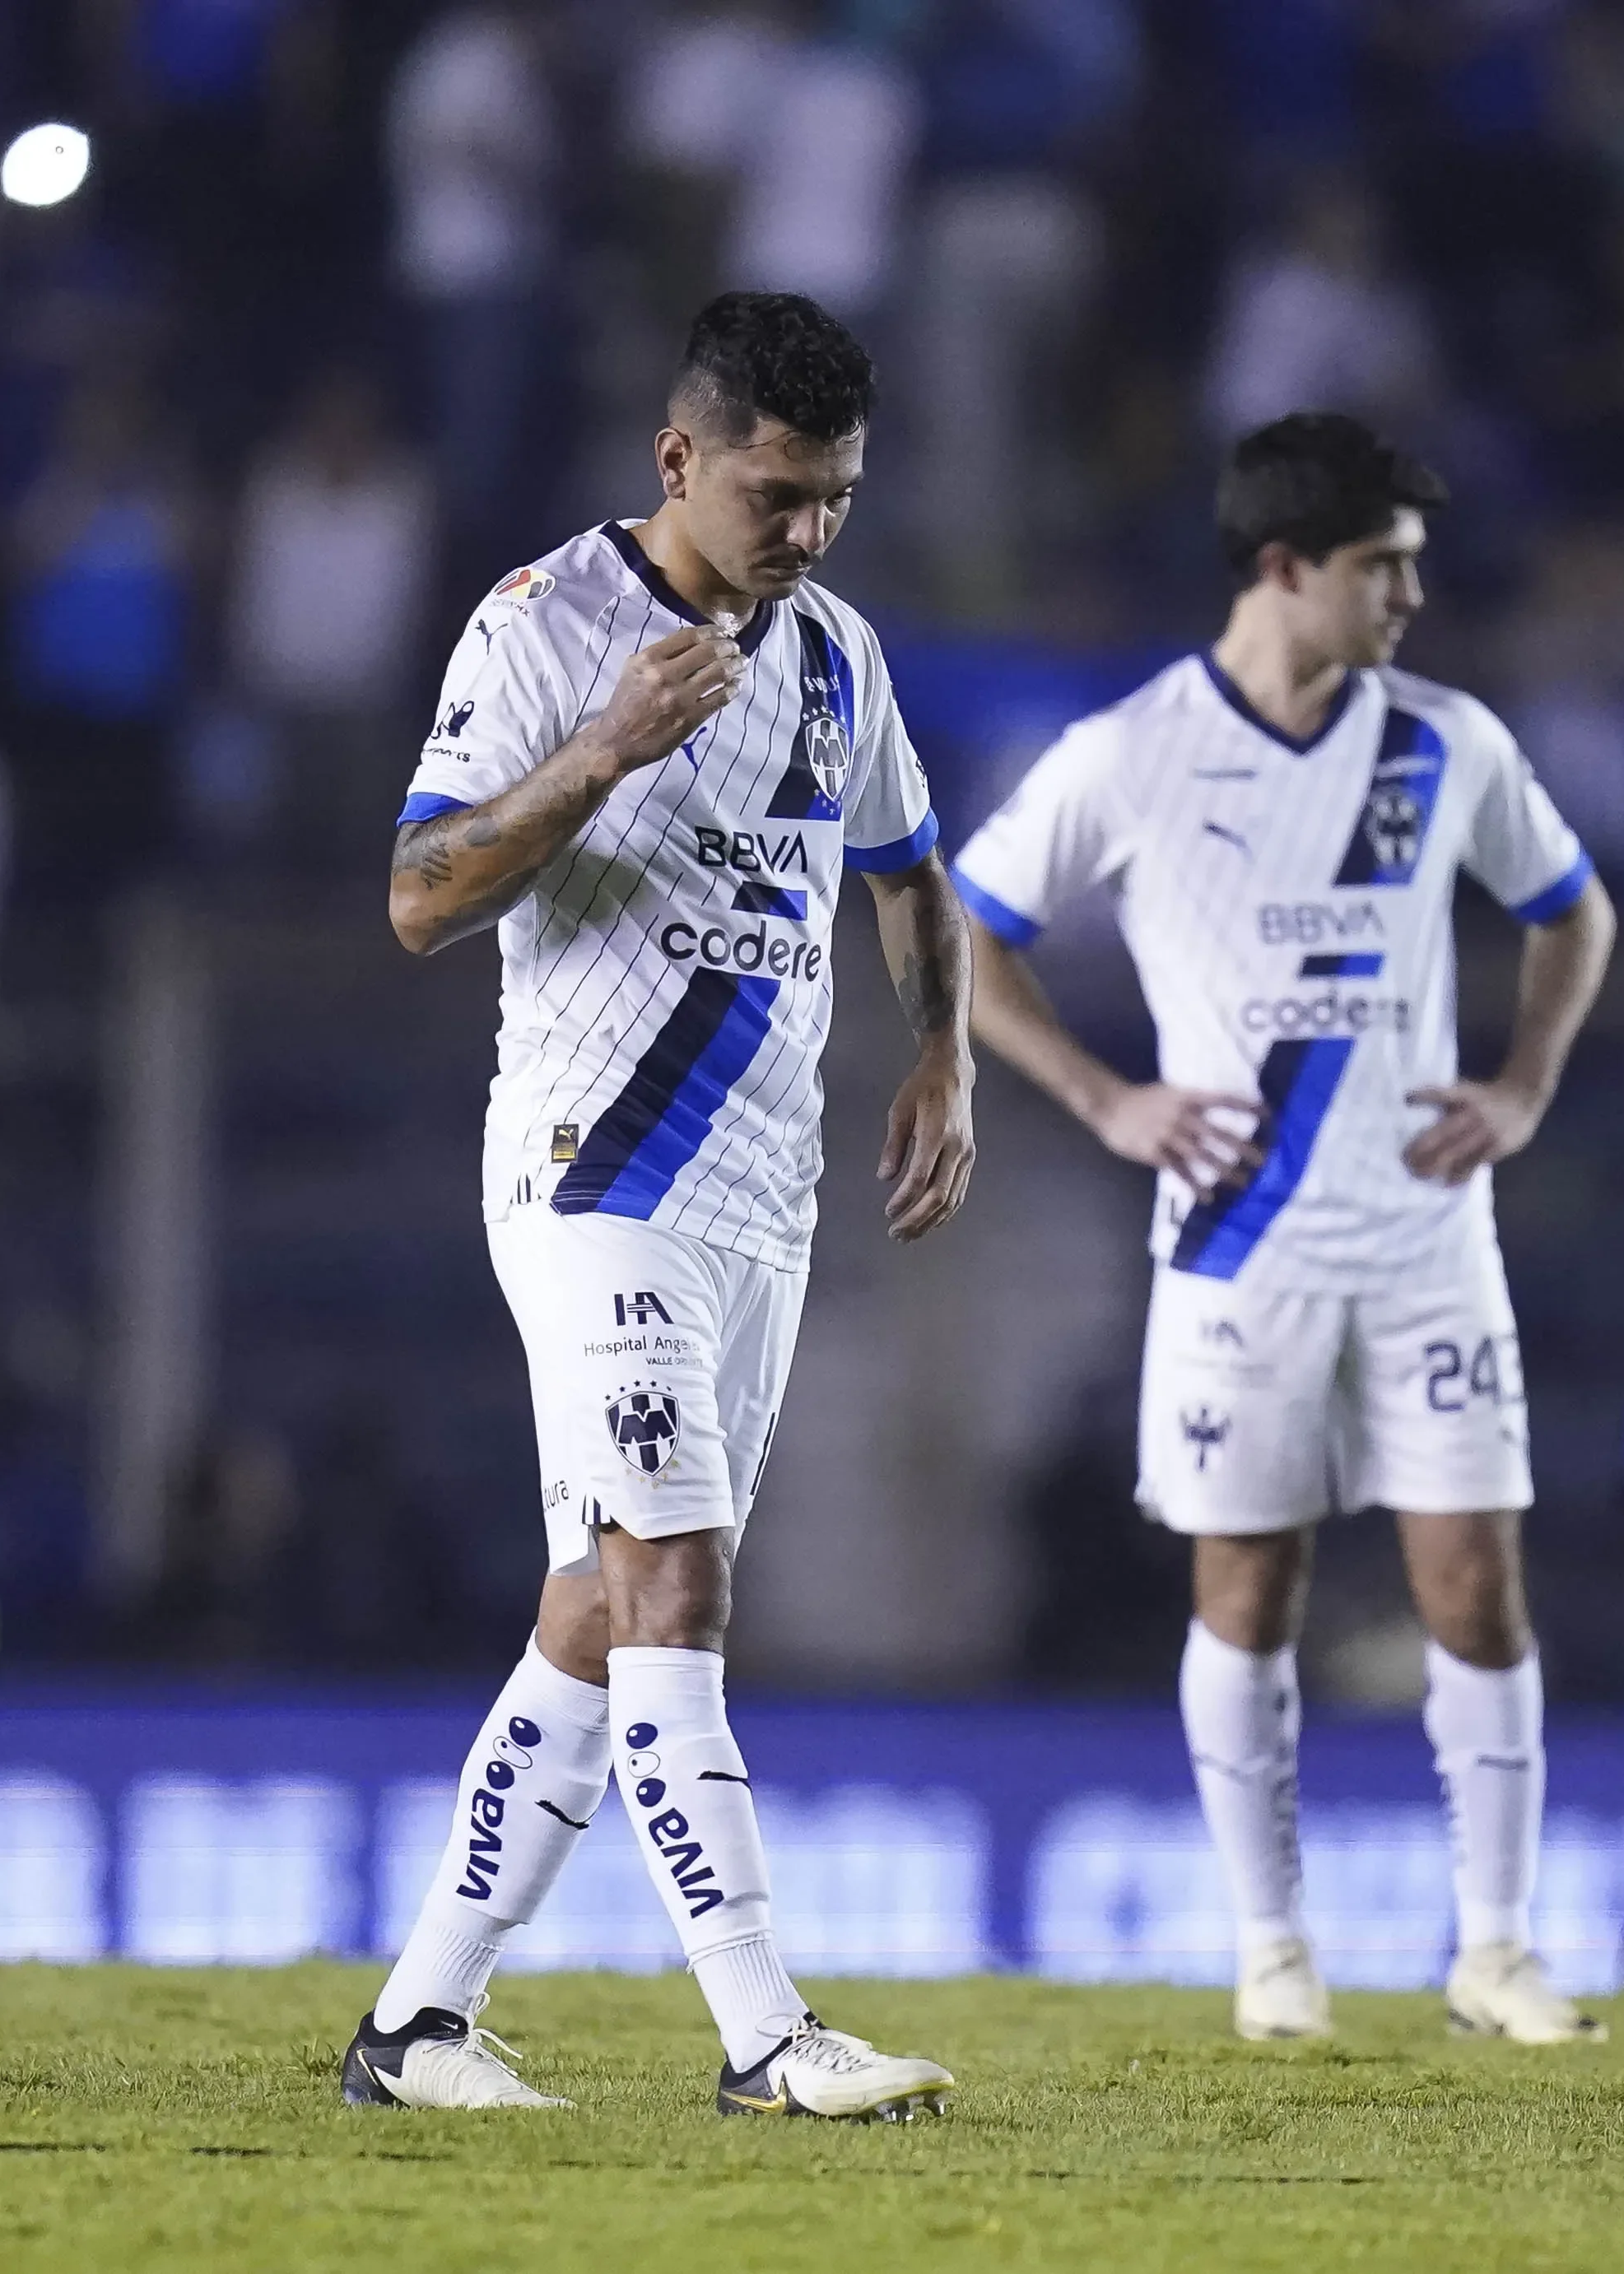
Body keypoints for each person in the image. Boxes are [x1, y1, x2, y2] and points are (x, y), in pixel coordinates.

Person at [345, 292, 974, 2119]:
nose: (805, 532)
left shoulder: (838, 655)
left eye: (836, 498)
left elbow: (907, 874)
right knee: (676, 1584)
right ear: (676, 457)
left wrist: (941, 1055)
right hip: (591, 1173)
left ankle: (416, 2028)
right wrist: (602, 751)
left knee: (598, 1610)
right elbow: (412, 895)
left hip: (756, 1203)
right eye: (776, 493)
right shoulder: (545, 628)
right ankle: (769, 2039)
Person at [952, 412, 1618, 2045]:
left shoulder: (1443, 743)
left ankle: (1495, 1950)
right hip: (1237, 1244)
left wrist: (1521, 1086)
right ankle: (1271, 1951)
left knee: (1474, 1585)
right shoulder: (1129, 752)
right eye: (1380, 566)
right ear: (1280, 568)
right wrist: (1104, 1099)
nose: (1409, 593)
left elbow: (1571, 909)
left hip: (1424, 1236)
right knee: (1244, 1593)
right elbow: (961, 936)